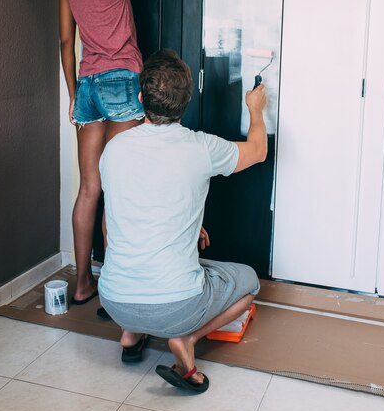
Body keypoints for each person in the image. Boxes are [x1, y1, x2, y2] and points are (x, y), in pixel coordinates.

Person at [45, 0, 183, 306]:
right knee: (121, 190)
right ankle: (118, 287)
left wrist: (73, 95)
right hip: (124, 84)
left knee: (90, 190)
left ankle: (83, 282)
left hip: (87, 90)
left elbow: (67, 43)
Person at [98, 49, 267, 393]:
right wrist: (255, 110)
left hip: (114, 299)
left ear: (142, 97)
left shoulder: (114, 148)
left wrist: (187, 225)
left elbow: (114, 220)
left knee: (143, 274)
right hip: (175, 307)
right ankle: (186, 340)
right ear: (186, 101)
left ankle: (130, 335)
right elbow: (258, 150)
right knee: (248, 282)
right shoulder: (201, 147)